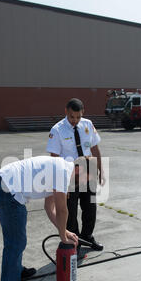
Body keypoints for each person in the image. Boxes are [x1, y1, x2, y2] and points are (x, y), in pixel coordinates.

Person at [0, 155, 92, 281]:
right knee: (16, 243)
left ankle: (16, 271)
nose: (85, 183)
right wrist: (64, 237)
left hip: (7, 184)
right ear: (80, 168)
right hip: (8, 188)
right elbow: (62, 210)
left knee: (17, 240)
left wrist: (63, 231)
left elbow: (49, 208)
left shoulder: (61, 170)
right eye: (87, 178)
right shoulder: (64, 171)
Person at [46, 98, 104, 251]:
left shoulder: (88, 124)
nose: (75, 120)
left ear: (82, 113)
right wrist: (60, 183)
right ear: (66, 111)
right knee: (70, 210)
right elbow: (54, 157)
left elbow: (95, 149)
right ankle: (75, 240)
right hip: (69, 173)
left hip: (88, 168)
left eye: (78, 117)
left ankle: (88, 237)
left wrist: (100, 170)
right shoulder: (57, 130)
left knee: (90, 207)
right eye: (72, 117)